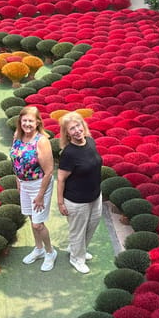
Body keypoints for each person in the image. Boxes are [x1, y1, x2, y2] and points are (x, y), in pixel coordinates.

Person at [10, 106, 57, 271]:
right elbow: (15, 160)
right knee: (31, 218)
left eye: (31, 121)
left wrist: (40, 195)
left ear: (37, 122)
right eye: (24, 120)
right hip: (24, 184)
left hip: (39, 185)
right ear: (20, 121)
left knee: (38, 224)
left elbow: (49, 171)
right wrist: (18, 181)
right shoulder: (17, 136)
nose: (27, 124)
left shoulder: (42, 141)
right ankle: (39, 249)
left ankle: (50, 252)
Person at [57, 112, 103, 274]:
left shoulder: (90, 141)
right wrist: (61, 202)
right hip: (76, 201)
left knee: (92, 225)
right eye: (72, 129)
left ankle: (77, 249)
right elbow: (61, 178)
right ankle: (76, 258)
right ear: (67, 134)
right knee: (78, 231)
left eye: (78, 126)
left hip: (95, 196)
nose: (77, 130)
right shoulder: (69, 153)